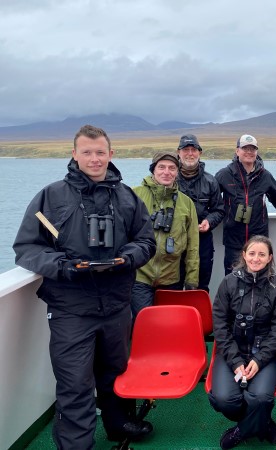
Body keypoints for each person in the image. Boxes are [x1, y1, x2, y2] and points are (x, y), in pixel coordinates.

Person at [13, 125, 156, 449]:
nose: (94, 158)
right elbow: (27, 248)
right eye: (87, 152)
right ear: (74, 154)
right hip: (71, 308)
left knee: (116, 372)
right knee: (75, 383)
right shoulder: (51, 196)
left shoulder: (127, 198)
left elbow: (146, 241)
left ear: (111, 154)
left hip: (117, 305)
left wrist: (126, 259)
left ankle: (118, 424)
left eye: (100, 152)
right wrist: (63, 266)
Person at [209, 235, 276, 450]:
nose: (256, 258)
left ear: (270, 258)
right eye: (252, 253)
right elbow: (220, 326)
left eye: (262, 254)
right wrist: (235, 361)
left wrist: (259, 359)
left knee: (261, 398)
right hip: (231, 352)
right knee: (223, 399)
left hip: (266, 354)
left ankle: (242, 430)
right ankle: (263, 422)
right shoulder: (228, 282)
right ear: (244, 255)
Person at [130, 151, 199, 320]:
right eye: (161, 167)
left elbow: (193, 246)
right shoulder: (134, 195)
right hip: (139, 276)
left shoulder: (186, 203)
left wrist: (192, 280)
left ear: (177, 172)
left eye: (172, 168)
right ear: (153, 170)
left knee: (167, 324)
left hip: (171, 279)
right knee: (145, 321)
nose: (166, 172)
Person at [215, 134, 276, 275]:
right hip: (233, 240)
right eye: (245, 148)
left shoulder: (265, 176)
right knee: (233, 279)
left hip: (259, 241)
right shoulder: (224, 175)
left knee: (260, 278)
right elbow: (213, 202)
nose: (249, 152)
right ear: (237, 151)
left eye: (253, 149)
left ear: (257, 152)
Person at [176, 134, 225, 291]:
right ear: (178, 152)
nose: (190, 154)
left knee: (200, 286)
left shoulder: (210, 181)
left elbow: (219, 209)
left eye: (194, 150)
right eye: (186, 150)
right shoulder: (169, 178)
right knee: (173, 286)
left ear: (200, 153)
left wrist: (209, 222)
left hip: (202, 241)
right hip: (174, 240)